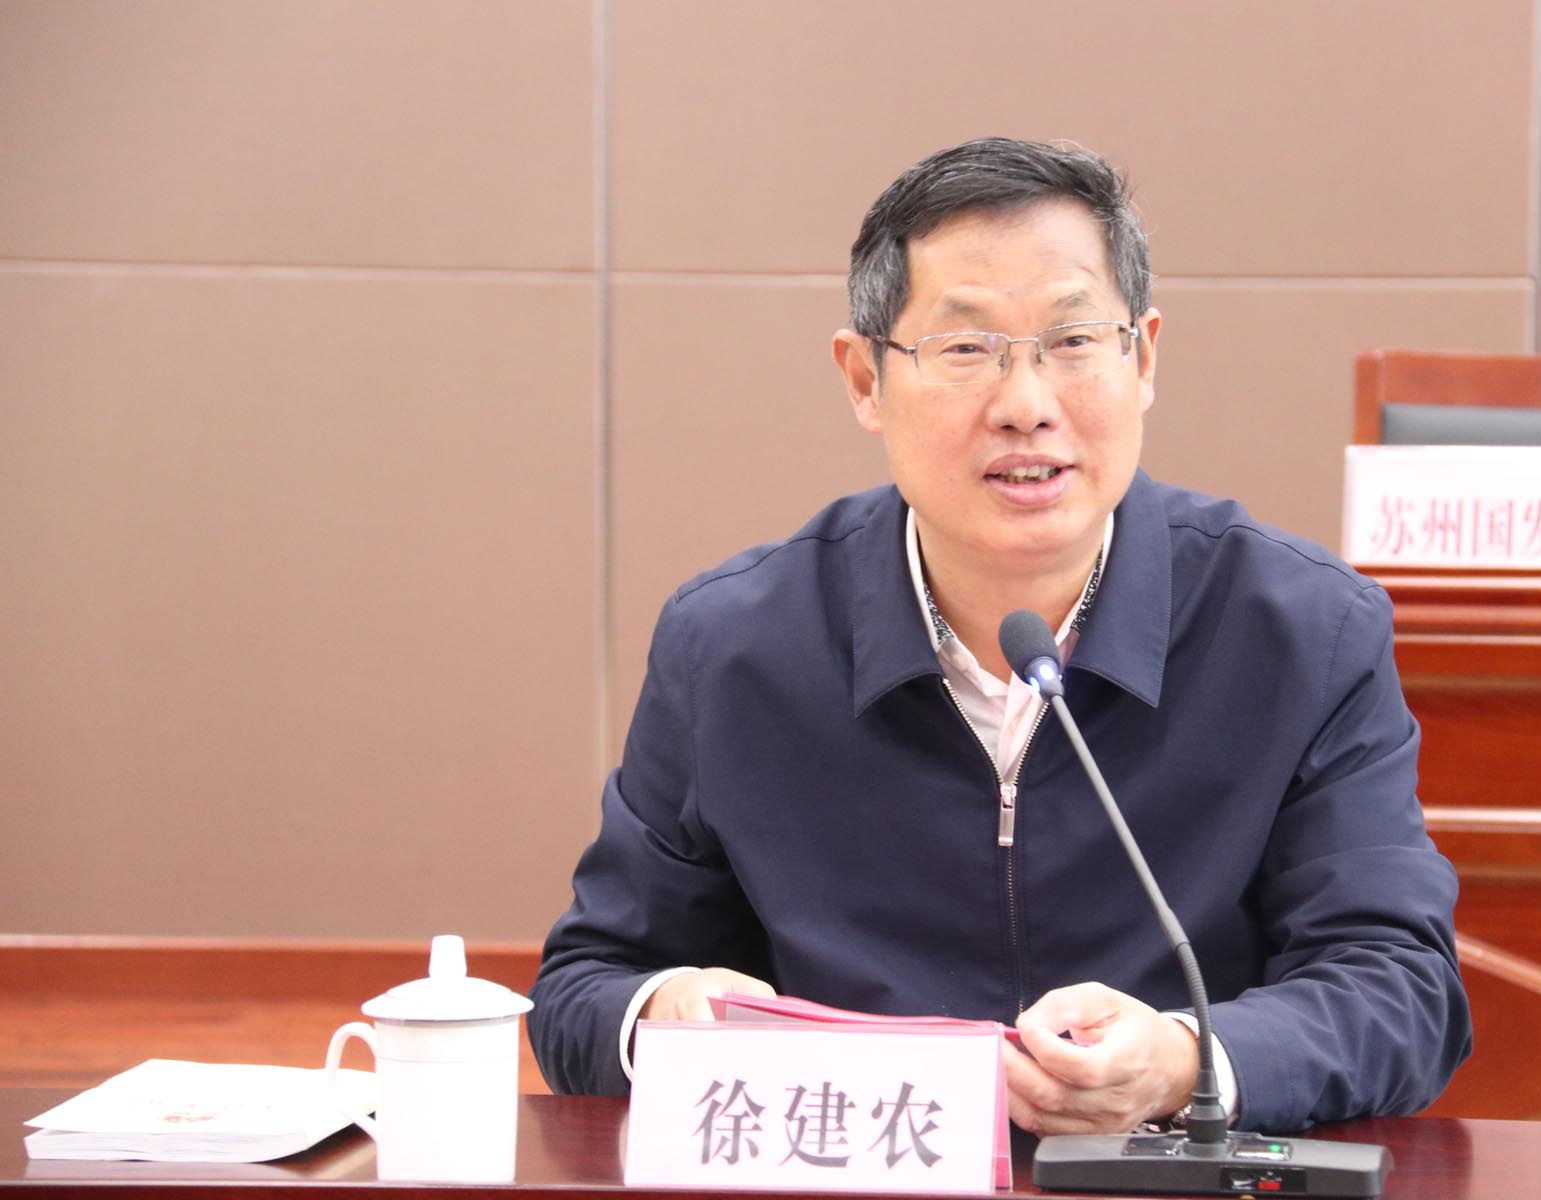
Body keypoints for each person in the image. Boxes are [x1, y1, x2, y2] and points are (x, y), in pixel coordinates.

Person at [528, 136, 1471, 1136]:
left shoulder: (1301, 631)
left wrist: (1185, 1062)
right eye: (966, 349)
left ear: (1144, 357)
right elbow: (585, 988)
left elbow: (1401, 989)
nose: (1027, 406)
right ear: (864, 379)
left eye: (1074, 341)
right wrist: (663, 1014)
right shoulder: (733, 648)